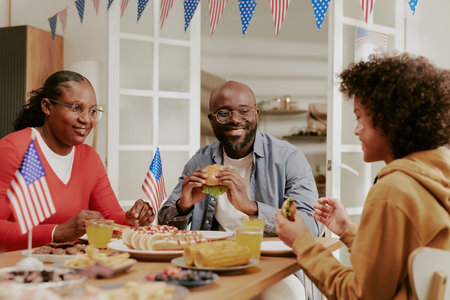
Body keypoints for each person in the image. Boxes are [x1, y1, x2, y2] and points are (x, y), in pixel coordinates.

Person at [276, 53, 450, 299]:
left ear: (390, 121)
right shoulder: (433, 179)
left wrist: (303, 242)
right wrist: (347, 230)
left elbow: (359, 294)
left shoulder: (393, 190)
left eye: (359, 119)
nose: (355, 131)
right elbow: (389, 270)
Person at [0, 70, 155, 251]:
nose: (86, 120)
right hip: (19, 269)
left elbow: (110, 217)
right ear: (47, 107)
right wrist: (57, 232)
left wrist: (131, 218)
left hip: (73, 266)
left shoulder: (89, 158)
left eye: (92, 111)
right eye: (76, 108)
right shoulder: (13, 150)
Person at [158, 80, 320, 237]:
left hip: (270, 259)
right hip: (213, 256)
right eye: (223, 113)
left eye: (243, 111)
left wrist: (251, 208)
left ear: (256, 115)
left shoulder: (288, 158)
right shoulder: (200, 161)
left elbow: (311, 228)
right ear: (211, 120)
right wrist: (183, 207)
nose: (235, 119)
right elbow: (163, 227)